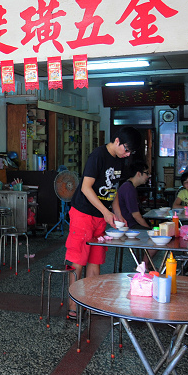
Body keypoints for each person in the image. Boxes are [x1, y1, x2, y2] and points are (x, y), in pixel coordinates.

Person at [65, 126, 143, 318]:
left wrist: (116, 213)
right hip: (83, 214)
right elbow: (85, 187)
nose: (127, 154)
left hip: (100, 217)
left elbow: (112, 190)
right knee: (78, 262)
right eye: (126, 149)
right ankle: (73, 307)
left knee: (95, 261)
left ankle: (92, 304)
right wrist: (105, 212)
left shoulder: (119, 160)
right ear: (117, 141)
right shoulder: (98, 156)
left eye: (130, 152)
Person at [112, 161, 157, 267]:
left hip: (129, 223)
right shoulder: (128, 188)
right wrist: (149, 228)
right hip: (129, 226)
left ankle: (146, 265)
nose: (148, 176)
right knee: (157, 238)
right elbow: (136, 216)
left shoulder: (129, 186)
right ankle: (144, 266)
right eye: (146, 173)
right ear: (138, 173)